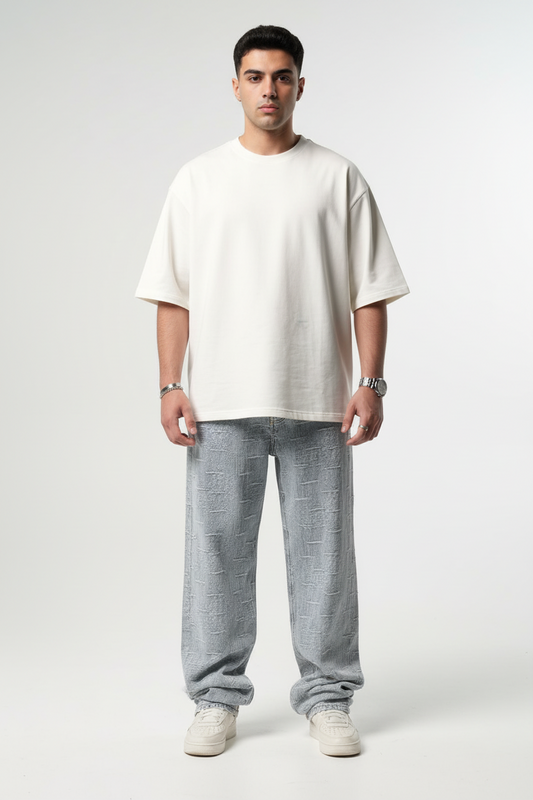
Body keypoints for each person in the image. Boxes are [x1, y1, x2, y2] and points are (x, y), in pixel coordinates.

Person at [135, 24, 409, 758]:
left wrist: (370, 381)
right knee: (217, 556)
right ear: (235, 86)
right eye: (255, 77)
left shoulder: (337, 177)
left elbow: (370, 290)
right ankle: (215, 699)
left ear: (300, 85)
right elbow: (172, 294)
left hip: (317, 398)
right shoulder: (198, 179)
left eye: (282, 76)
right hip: (220, 401)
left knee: (324, 558)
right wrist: (170, 383)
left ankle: (328, 698)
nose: (269, 89)